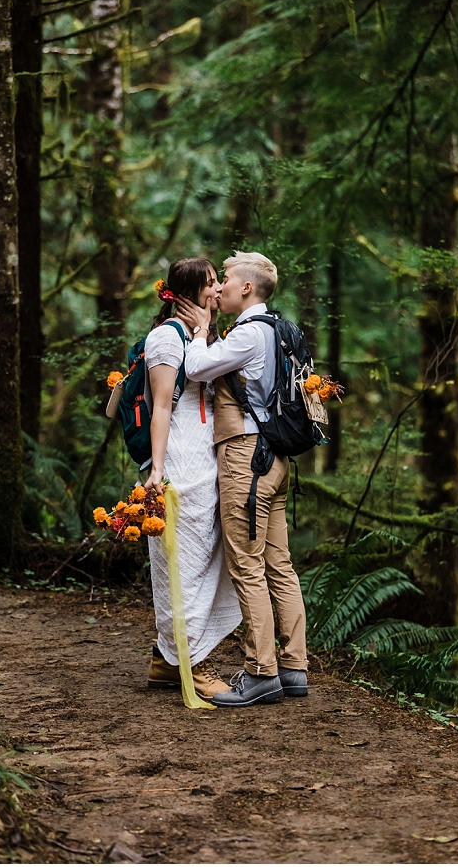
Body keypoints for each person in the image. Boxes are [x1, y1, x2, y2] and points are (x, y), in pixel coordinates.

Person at [176, 251, 309, 707]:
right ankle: (293, 667)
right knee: (280, 565)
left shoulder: (250, 334)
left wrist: (197, 332)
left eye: (227, 280)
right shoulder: (280, 330)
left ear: (247, 288)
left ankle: (260, 672)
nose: (220, 288)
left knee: (246, 565)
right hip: (276, 461)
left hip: (244, 458)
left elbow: (195, 369)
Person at [138, 259, 240, 700]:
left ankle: (166, 660)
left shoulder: (204, 337)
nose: (218, 290)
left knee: (205, 561)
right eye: (211, 283)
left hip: (207, 462)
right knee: (181, 567)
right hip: (178, 462)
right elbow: (161, 406)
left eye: (219, 282)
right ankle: (195, 664)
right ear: (186, 294)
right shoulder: (165, 338)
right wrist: (157, 470)